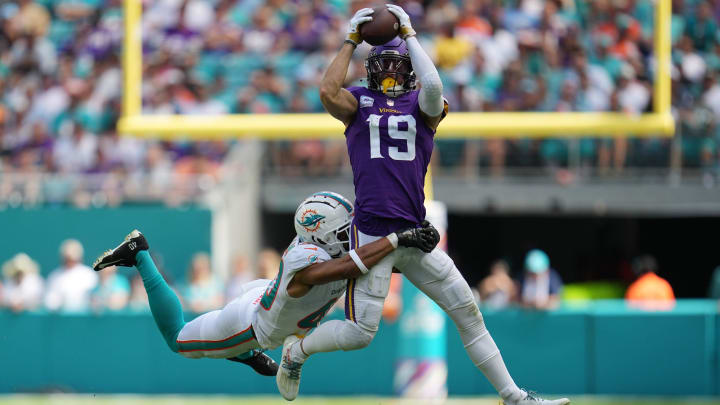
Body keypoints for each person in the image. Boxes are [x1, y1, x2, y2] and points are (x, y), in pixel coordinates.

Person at [276, 6, 569, 405]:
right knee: (361, 334)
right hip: (374, 233)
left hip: (413, 231)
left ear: (410, 66)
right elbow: (327, 91)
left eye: (399, 64)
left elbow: (432, 87)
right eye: (384, 65)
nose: (391, 72)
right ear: (370, 69)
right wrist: (351, 39)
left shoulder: (424, 105)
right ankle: (298, 351)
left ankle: (514, 397)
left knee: (468, 310)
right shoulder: (358, 102)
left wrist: (411, 34)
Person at [92, 191, 438, 378]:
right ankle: (140, 253)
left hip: (266, 298)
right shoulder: (309, 261)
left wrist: (410, 247)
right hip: (250, 323)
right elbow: (351, 265)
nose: (351, 233)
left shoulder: (324, 248)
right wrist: (396, 241)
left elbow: (364, 262)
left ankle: (242, 355)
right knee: (178, 340)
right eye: (343, 228)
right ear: (320, 232)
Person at [44, 239, 98, 313]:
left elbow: (94, 298)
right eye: (67, 257)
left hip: (84, 321)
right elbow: (49, 300)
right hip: (61, 321)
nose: (69, 260)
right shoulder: (54, 276)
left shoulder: (89, 274)